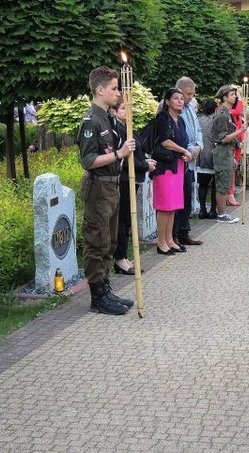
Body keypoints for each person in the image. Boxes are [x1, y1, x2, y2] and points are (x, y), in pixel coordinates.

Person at [77, 66, 136, 315]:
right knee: (97, 241)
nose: (118, 93)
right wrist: (119, 154)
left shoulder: (108, 116)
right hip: (99, 186)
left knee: (110, 241)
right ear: (99, 90)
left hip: (112, 185)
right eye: (114, 88)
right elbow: (88, 160)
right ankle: (97, 296)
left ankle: (105, 288)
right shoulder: (92, 120)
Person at [111, 98, 156, 275]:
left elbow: (135, 153)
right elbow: (123, 158)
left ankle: (123, 255)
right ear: (114, 111)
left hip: (132, 178)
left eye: (128, 108)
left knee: (128, 220)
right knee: (122, 220)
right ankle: (119, 258)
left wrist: (144, 161)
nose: (127, 111)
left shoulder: (128, 128)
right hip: (123, 179)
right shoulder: (117, 130)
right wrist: (145, 166)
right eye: (123, 108)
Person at [149, 88, 192, 254]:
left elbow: (184, 140)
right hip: (164, 166)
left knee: (173, 205)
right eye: (176, 98)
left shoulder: (180, 120)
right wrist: (183, 150)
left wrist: (185, 154)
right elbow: (165, 141)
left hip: (178, 165)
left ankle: (170, 239)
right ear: (167, 102)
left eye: (182, 98)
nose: (180, 101)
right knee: (164, 205)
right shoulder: (163, 118)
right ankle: (161, 242)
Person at [172, 77, 204, 247]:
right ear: (179, 91)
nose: (191, 97)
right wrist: (190, 149)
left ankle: (184, 232)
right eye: (188, 94)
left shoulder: (190, 107)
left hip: (191, 158)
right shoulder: (172, 107)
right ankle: (174, 235)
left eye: (192, 94)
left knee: (186, 196)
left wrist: (199, 145)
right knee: (176, 198)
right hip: (179, 158)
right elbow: (177, 134)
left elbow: (197, 129)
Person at [212, 85, 247, 222]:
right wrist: (240, 131)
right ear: (224, 97)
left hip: (228, 151)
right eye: (232, 94)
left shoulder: (227, 113)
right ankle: (221, 214)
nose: (235, 96)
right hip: (222, 151)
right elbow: (223, 138)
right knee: (222, 185)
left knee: (226, 183)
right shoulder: (222, 114)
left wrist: (232, 155)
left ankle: (222, 213)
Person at [196, 99, 218, 219]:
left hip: (200, 154)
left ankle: (202, 210)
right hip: (213, 154)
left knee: (202, 184)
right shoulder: (214, 122)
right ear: (215, 109)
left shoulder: (198, 120)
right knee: (214, 184)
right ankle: (213, 210)